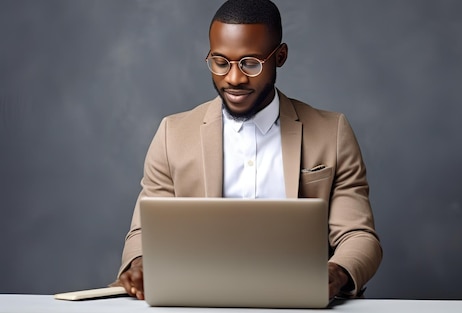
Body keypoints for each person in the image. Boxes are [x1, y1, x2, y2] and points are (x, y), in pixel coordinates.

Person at [112, 0, 382, 300]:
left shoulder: (332, 133)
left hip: (300, 303)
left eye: (251, 63)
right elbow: (143, 233)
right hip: (198, 303)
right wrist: (140, 265)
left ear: (280, 56)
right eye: (220, 62)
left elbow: (358, 236)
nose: (234, 78)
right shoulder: (172, 135)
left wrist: (335, 273)